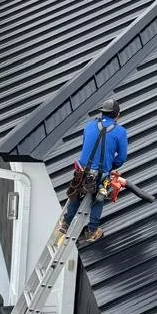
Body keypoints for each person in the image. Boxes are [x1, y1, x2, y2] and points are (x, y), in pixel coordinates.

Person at [56, 98, 128, 243]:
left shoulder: (89, 126)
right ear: (117, 115)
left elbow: (86, 147)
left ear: (102, 113)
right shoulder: (120, 132)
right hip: (101, 174)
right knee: (99, 197)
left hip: (82, 170)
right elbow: (121, 158)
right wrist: (109, 167)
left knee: (76, 192)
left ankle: (66, 223)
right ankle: (92, 230)